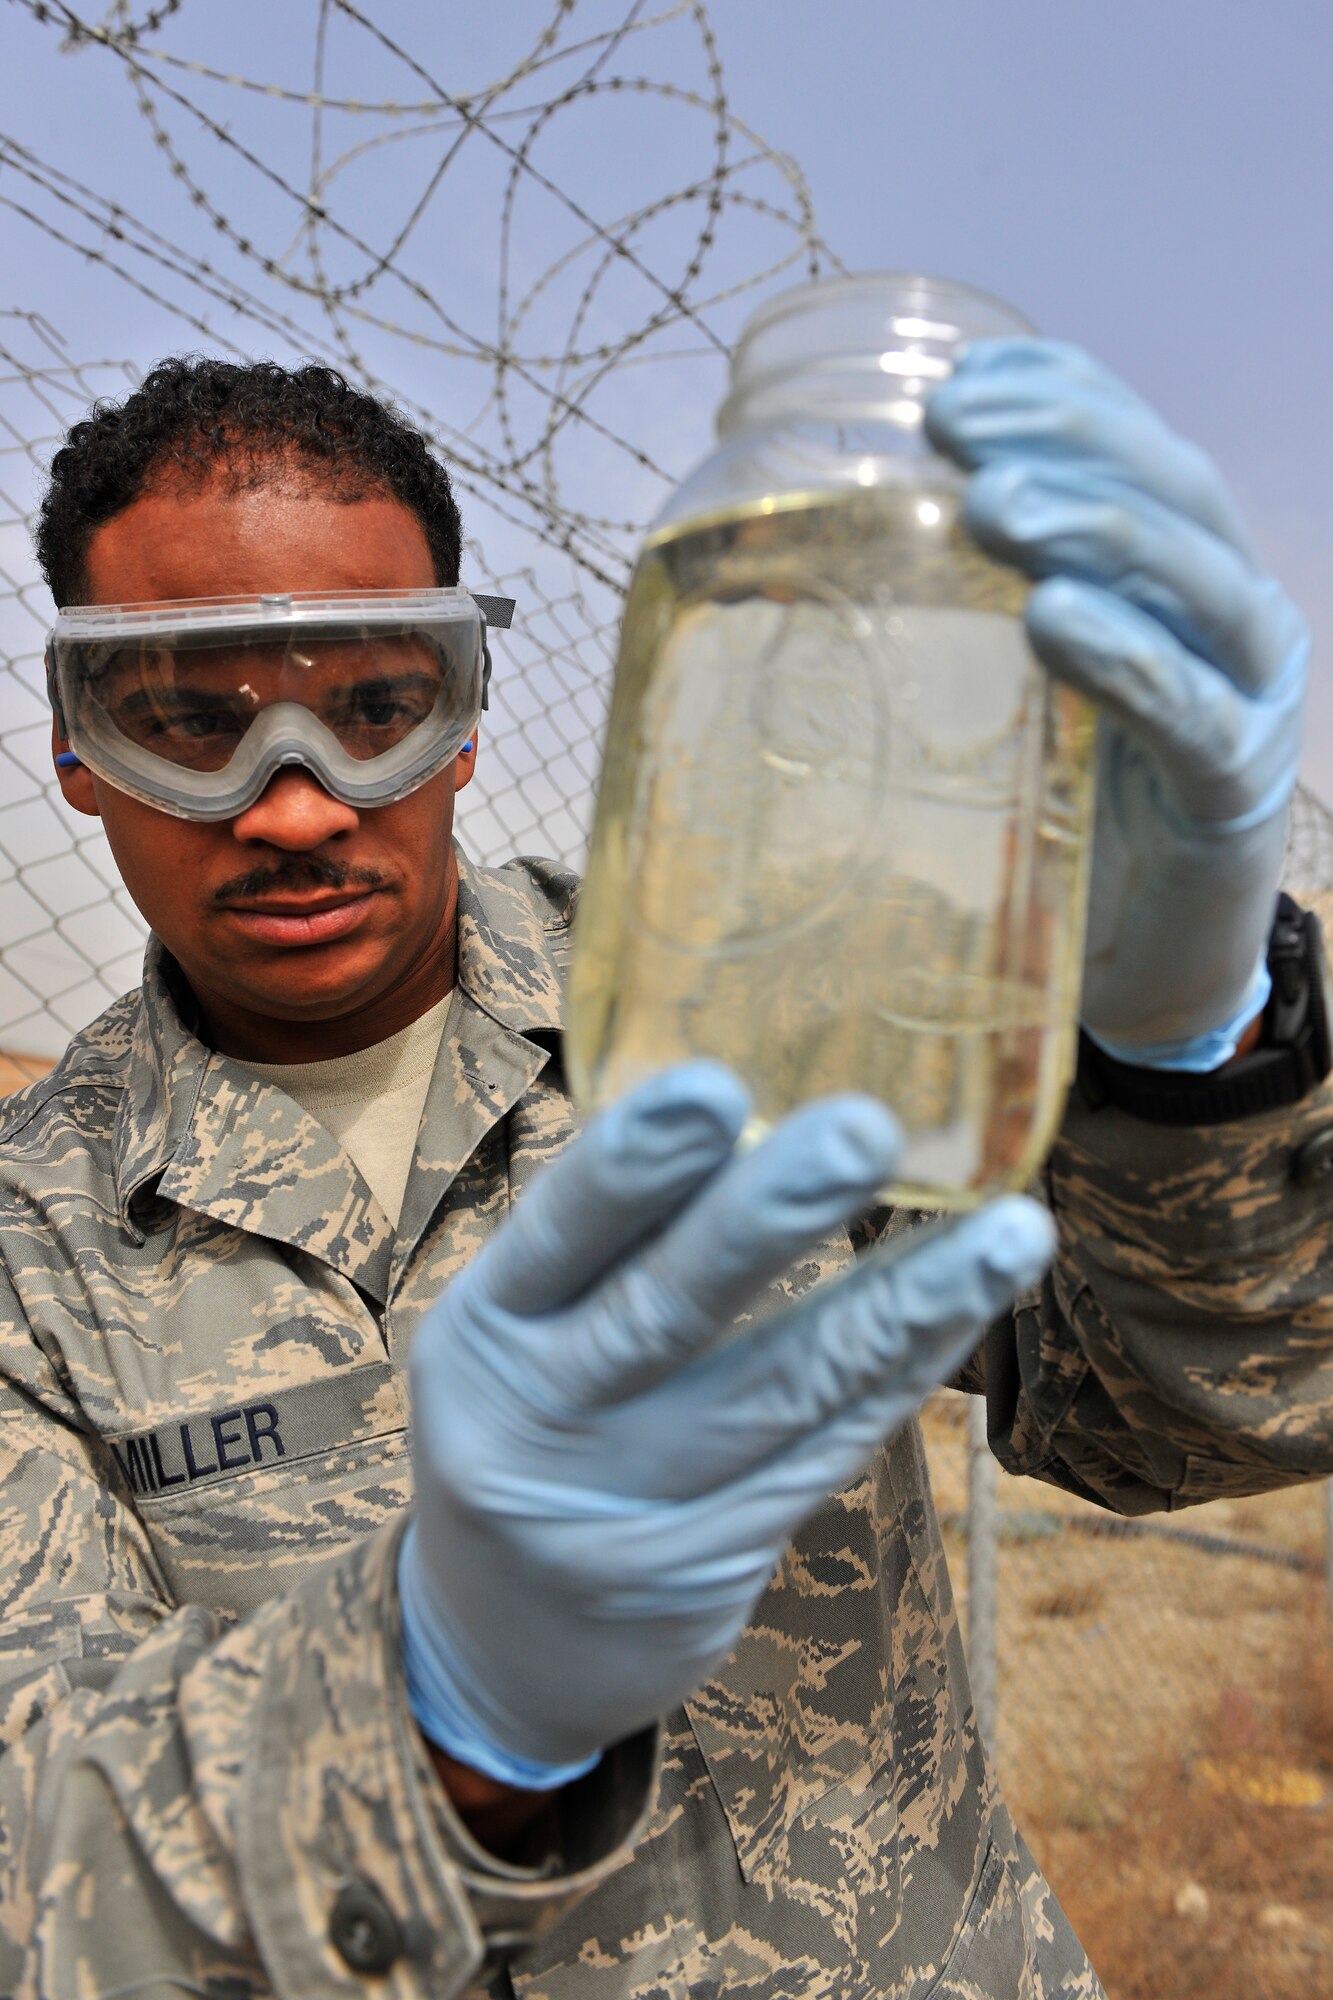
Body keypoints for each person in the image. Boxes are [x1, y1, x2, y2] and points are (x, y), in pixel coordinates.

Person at [0, 347, 1327, 2000]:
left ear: (462, 722)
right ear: (77, 750)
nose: (290, 807)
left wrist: (1195, 1065)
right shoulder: (25, 1258)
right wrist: (434, 1708)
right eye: (191, 721)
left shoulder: (742, 1002)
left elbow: (1206, 1420)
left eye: (372, 710)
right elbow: (38, 1878)